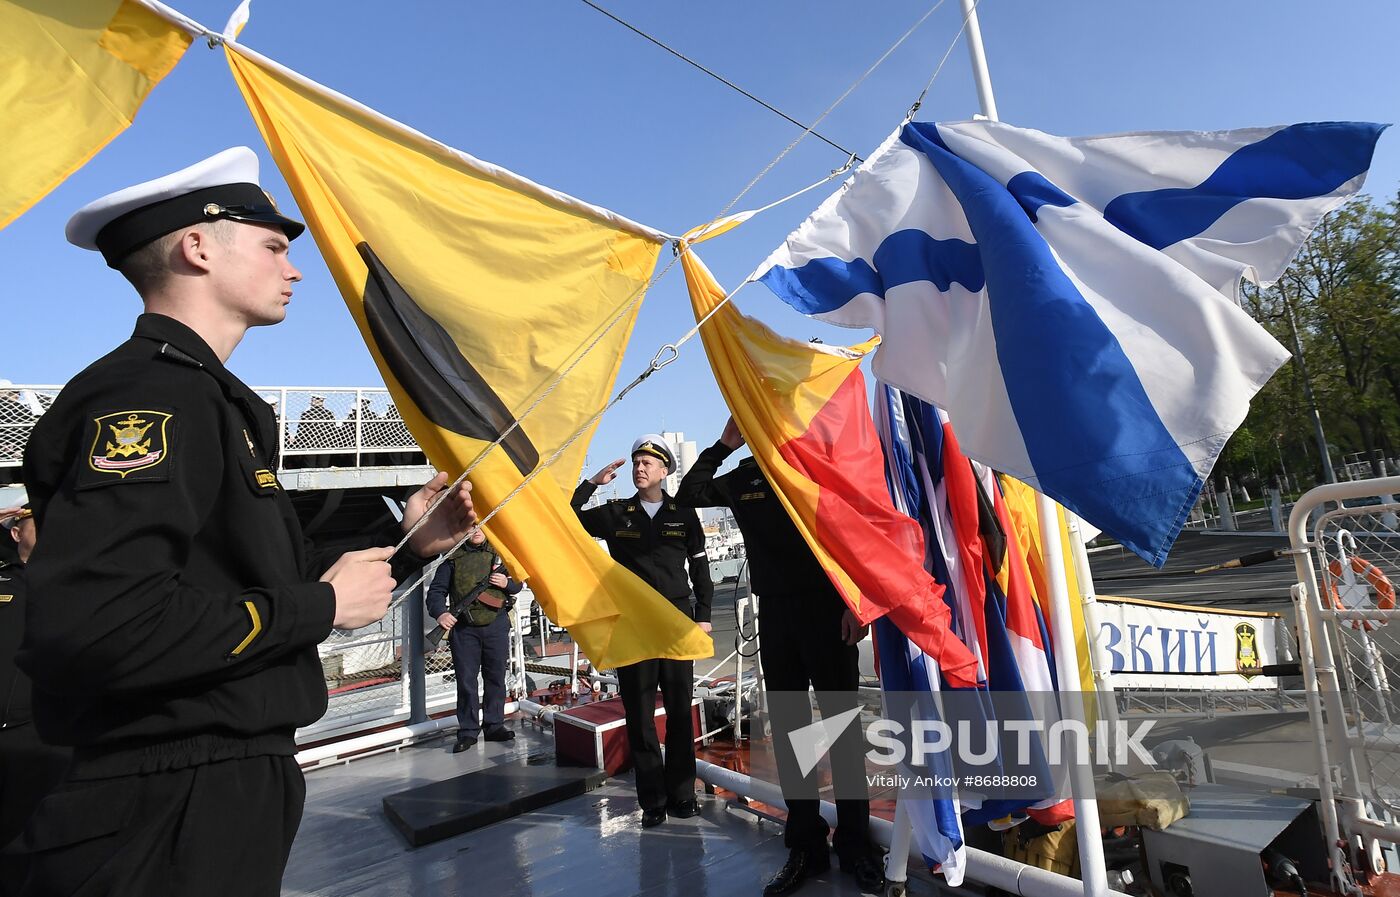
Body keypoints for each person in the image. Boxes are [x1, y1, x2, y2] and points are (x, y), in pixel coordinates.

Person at [16, 146, 477, 897]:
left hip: (217, 785)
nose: (293, 270)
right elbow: (99, 623)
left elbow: (254, 575)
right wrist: (319, 607)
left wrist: (413, 541)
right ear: (198, 247)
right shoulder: (148, 401)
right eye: (273, 247)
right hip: (167, 801)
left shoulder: (218, 403)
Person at [677, 417, 885, 895]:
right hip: (776, 616)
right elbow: (690, 494)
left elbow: (855, 532)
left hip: (828, 611)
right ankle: (806, 847)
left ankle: (856, 846)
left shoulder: (819, 463)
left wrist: (857, 601)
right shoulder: (744, 475)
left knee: (841, 729)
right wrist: (725, 442)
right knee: (793, 732)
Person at [571, 434, 713, 828]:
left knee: (681, 713)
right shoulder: (616, 514)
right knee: (639, 715)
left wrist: (703, 614)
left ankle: (683, 795)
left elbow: (700, 569)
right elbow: (567, 515)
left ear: (664, 471)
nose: (639, 468)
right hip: (632, 628)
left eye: (648, 462)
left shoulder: (683, 514)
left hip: (675, 625)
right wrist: (591, 485)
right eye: (636, 462)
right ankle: (652, 801)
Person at [0, 505, 70, 896]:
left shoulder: (72, 585)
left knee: (29, 843)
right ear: (14, 533)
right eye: (37, 523)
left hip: (38, 736)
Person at [426, 528, 522, 751]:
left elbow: (519, 583)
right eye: (471, 526)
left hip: (496, 624)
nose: (476, 530)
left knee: (496, 676)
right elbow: (436, 592)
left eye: (481, 525)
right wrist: (441, 613)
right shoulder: (452, 559)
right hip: (464, 629)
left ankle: (494, 725)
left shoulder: (501, 555)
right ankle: (468, 731)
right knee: (466, 681)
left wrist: (506, 584)